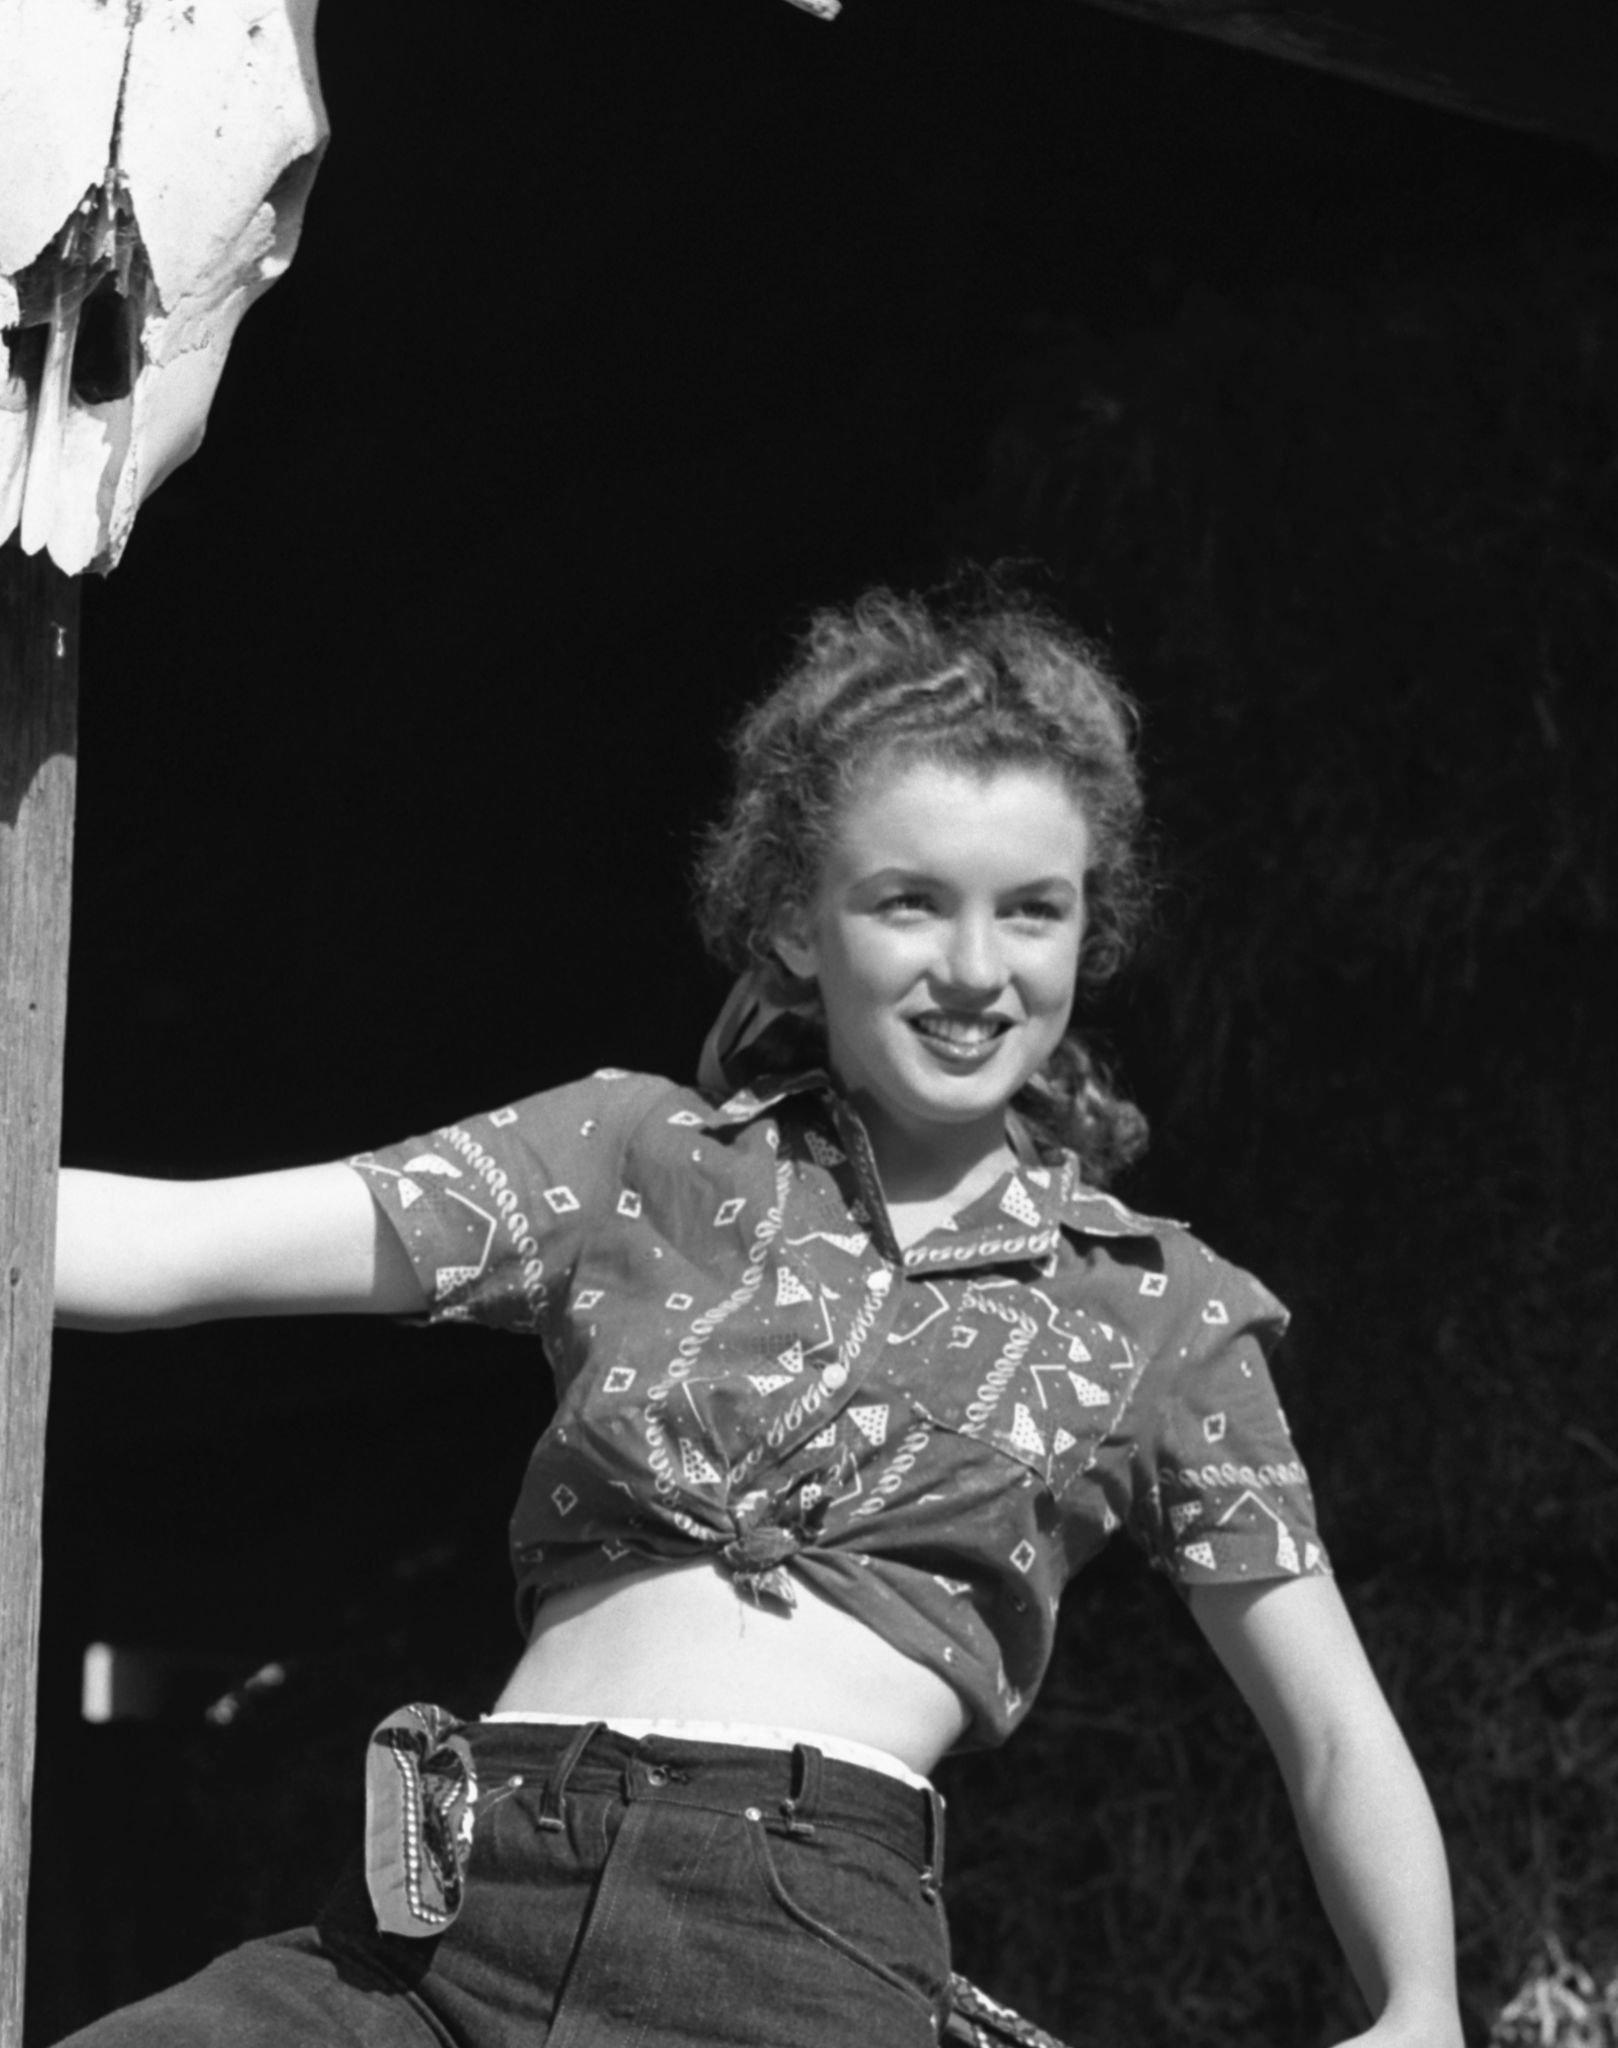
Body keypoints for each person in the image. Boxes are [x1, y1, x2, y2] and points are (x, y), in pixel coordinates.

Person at [52, 586, 1463, 2048]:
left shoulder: (1161, 1310)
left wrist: (1417, 2006)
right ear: (794, 921)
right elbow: (171, 1248)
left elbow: (1331, 1726)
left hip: (789, 1945)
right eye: (909, 901)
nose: (975, 969)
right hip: (450, 1921)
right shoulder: (628, 1155)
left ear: (1086, 931)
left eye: (1031, 909)